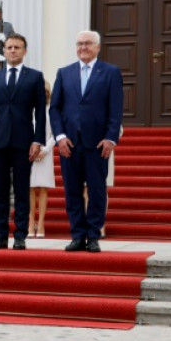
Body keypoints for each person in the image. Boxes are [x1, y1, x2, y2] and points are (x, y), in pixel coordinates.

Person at [50, 30, 124, 253]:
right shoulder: (64, 73)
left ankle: (93, 234)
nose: (83, 47)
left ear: (98, 47)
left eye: (88, 44)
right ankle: (77, 234)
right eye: (79, 43)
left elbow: (116, 108)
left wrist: (111, 138)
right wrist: (60, 137)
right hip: (69, 144)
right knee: (72, 191)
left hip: (97, 144)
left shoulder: (110, 72)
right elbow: (55, 109)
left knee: (97, 190)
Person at [0, 33, 45, 250]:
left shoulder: (35, 77)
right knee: (0, 191)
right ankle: (0, 235)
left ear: (24, 51)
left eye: (17, 47)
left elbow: (41, 114)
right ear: (4, 51)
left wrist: (38, 140)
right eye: (9, 47)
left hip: (23, 143)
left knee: (21, 191)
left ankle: (20, 235)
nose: (13, 51)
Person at [29, 79, 55, 238]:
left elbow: (55, 133)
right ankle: (31, 224)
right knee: (30, 188)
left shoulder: (51, 110)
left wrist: (44, 150)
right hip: (29, 153)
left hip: (45, 154)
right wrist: (31, 149)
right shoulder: (27, 109)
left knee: (43, 188)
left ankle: (42, 224)